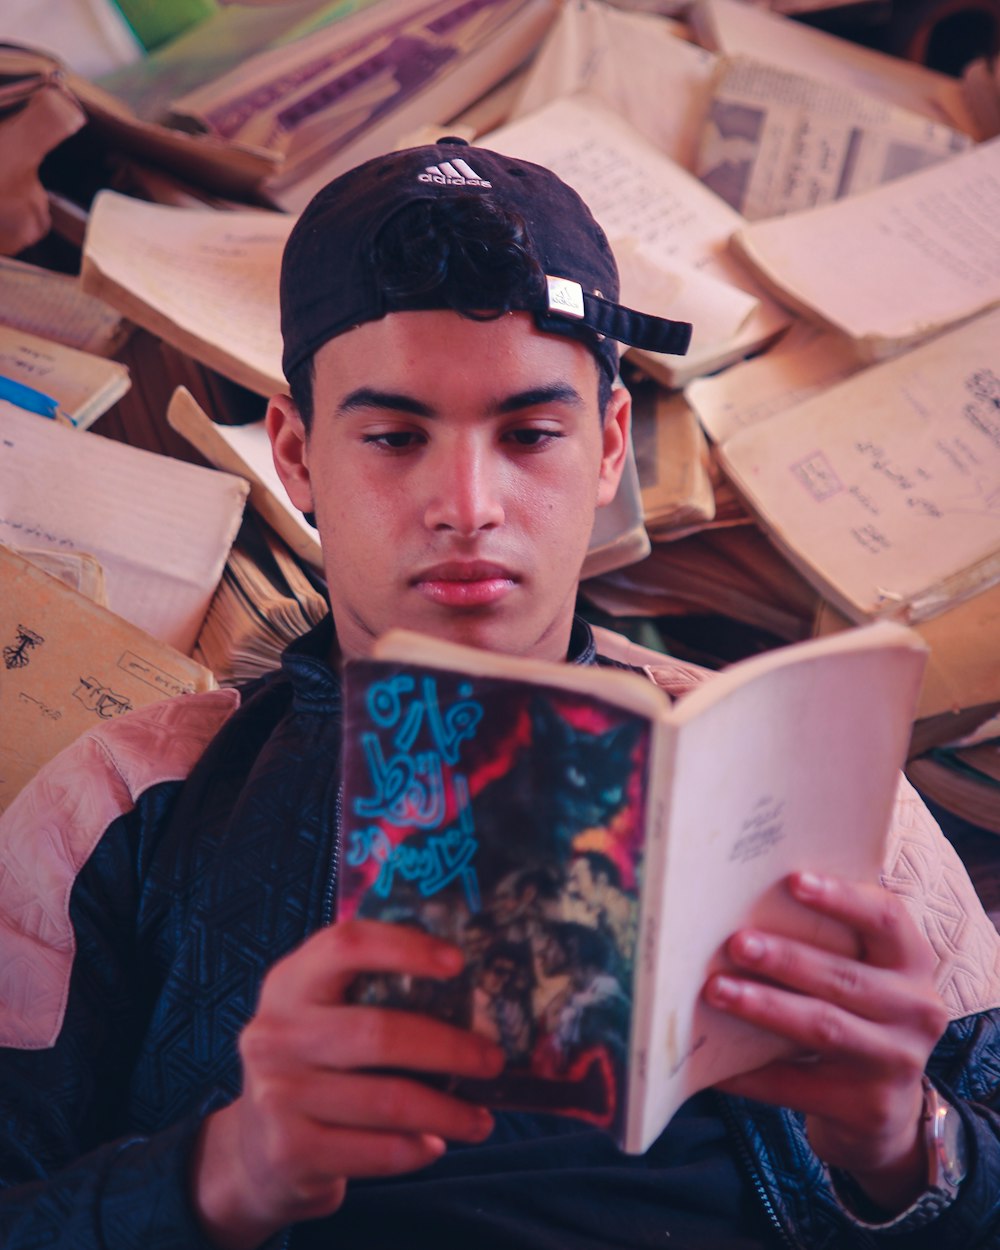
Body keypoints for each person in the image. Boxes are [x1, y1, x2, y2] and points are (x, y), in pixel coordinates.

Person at [2, 136, 1000, 1250]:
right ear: (293, 451)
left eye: (529, 433)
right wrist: (223, 1169)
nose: (465, 503)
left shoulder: (814, 778)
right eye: (393, 435)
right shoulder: (130, 798)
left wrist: (907, 1147)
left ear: (611, 443)